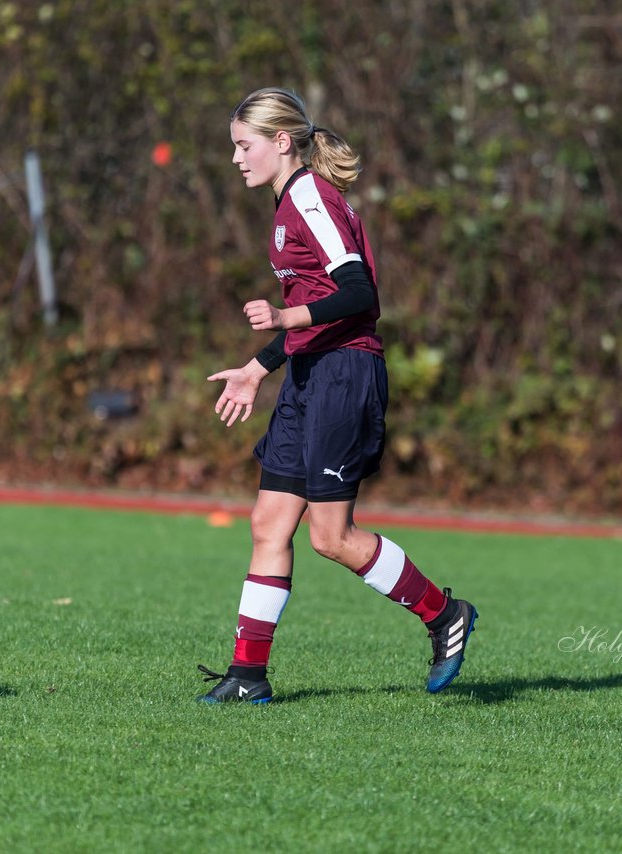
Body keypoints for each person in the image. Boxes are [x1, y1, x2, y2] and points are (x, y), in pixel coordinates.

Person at [199, 87, 477, 704]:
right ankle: (247, 676)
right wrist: (257, 368)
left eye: (244, 147)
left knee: (330, 537)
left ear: (281, 142)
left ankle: (444, 613)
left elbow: (358, 297)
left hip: (345, 376)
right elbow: (314, 316)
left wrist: (282, 317)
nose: (237, 159)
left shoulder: (310, 199)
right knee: (268, 521)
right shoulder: (286, 205)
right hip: (310, 373)